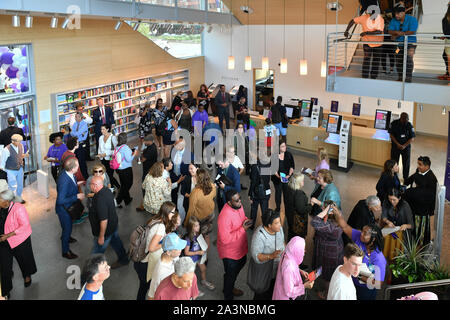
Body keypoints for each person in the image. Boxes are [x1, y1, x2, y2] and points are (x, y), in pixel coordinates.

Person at [333, 204, 386, 300]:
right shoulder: (359, 237)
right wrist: (338, 214)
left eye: (365, 233)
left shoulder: (378, 258)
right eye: (362, 231)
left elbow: (378, 283)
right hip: (351, 282)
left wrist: (358, 275)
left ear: (373, 240)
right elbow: (345, 227)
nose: (361, 234)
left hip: (365, 291)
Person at [133, 201, 177, 301]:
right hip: (145, 263)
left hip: (140, 258)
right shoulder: (161, 227)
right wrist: (165, 241)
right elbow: (151, 248)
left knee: (143, 287)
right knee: (145, 288)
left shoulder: (154, 219)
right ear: (167, 212)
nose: (174, 214)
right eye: (172, 212)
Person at [0, 189, 37, 299]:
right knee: (5, 267)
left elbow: (24, 225)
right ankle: (6, 290)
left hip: (19, 240)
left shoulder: (19, 208)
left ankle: (27, 276)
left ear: (6, 201)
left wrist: (7, 235)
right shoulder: (1, 207)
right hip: (3, 243)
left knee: (24, 260)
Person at [88, 176, 129, 269]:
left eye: (90, 184)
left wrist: (101, 236)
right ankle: (124, 259)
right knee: (116, 242)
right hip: (113, 226)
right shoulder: (107, 190)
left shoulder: (99, 199)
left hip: (105, 231)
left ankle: (86, 277)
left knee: (96, 254)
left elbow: (103, 219)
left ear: (95, 186)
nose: (89, 186)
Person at [217, 189, 250, 300]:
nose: (240, 201)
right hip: (230, 253)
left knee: (238, 267)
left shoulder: (238, 206)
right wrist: (243, 229)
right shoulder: (224, 216)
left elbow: (242, 218)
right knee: (231, 274)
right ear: (229, 202)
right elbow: (225, 239)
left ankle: (229, 287)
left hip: (240, 248)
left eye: (240, 198)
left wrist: (246, 221)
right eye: (236, 200)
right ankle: (228, 294)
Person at [249, 209, 285, 300]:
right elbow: (256, 256)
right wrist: (271, 256)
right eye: (276, 223)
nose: (280, 225)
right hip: (265, 271)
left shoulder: (279, 229)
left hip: (277, 269)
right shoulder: (259, 236)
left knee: (272, 291)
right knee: (262, 294)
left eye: (279, 222)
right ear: (269, 225)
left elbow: (282, 242)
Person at [311, 204, 344, 299]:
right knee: (333, 273)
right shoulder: (339, 221)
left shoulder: (329, 226)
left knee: (328, 276)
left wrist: (324, 211)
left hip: (328, 253)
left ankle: (327, 294)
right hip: (336, 250)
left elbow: (314, 222)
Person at [403, 156, 438, 245]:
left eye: (420, 164)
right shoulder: (419, 171)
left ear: (427, 167)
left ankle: (420, 244)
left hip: (422, 210)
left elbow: (428, 196)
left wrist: (409, 192)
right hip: (415, 206)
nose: (418, 166)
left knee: (420, 230)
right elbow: (409, 180)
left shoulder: (431, 179)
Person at [55, 157, 85, 259]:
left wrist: (76, 184)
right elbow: (60, 200)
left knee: (67, 227)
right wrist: (76, 196)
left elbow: (67, 186)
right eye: (77, 166)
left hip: (68, 207)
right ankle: (65, 251)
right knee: (67, 229)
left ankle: (66, 236)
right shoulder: (64, 180)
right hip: (64, 210)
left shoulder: (68, 173)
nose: (78, 167)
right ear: (72, 169)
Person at [344, 6, 384, 79]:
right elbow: (352, 21)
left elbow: (379, 31)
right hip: (367, 43)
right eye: (371, 14)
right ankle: (365, 76)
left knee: (376, 61)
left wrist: (366, 33)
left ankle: (373, 77)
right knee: (366, 60)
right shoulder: (364, 17)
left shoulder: (380, 19)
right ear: (368, 13)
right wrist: (347, 30)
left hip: (378, 44)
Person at [147, 232, 187, 299]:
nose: (181, 250)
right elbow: (152, 295)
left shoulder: (175, 256)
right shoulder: (159, 272)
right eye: (177, 248)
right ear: (168, 252)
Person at [184, 168, 216, 250]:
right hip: (210, 214)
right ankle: (206, 255)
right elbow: (213, 197)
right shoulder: (212, 186)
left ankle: (200, 254)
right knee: (206, 235)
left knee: (199, 236)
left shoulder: (195, 192)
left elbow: (191, 210)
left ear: (198, 179)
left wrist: (186, 222)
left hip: (200, 218)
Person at [381, 188, 413, 263]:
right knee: (385, 236)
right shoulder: (386, 202)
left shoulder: (405, 206)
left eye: (394, 200)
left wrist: (405, 225)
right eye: (390, 199)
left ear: (399, 198)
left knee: (396, 238)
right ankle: (386, 258)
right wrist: (387, 221)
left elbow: (411, 225)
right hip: (390, 227)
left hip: (402, 229)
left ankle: (395, 260)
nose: (392, 202)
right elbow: (383, 216)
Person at [389, 3, 418, 82]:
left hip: (410, 44)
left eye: (398, 13)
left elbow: (411, 31)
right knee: (398, 59)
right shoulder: (393, 20)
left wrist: (399, 33)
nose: (396, 15)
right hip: (398, 45)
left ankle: (408, 78)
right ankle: (400, 77)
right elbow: (390, 30)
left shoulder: (412, 19)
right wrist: (396, 32)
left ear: (403, 12)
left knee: (409, 59)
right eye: (395, 13)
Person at [184, 216, 215, 291]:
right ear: (191, 227)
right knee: (191, 276)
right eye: (196, 226)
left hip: (198, 256)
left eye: (199, 225)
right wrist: (198, 252)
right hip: (191, 259)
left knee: (203, 269)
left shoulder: (198, 234)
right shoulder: (188, 238)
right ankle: (192, 290)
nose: (199, 227)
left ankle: (204, 281)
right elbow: (186, 252)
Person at [0, 134, 29, 204]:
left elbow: (20, 155)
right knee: (12, 186)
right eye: (18, 141)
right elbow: (2, 163)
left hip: (20, 168)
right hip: (10, 170)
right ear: (12, 141)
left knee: (20, 185)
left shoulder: (21, 146)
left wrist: (25, 155)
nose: (20, 143)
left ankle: (18, 198)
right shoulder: (6, 149)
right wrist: (7, 171)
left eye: (20, 141)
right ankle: (12, 201)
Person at [284, 172, 312, 241]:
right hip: (297, 222)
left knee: (291, 235)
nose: (303, 182)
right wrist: (311, 205)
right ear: (298, 183)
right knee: (298, 238)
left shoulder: (289, 189)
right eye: (302, 180)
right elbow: (302, 210)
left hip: (290, 217)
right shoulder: (298, 194)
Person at [388, 112, 415, 181]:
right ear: (401, 118)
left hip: (406, 148)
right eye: (405, 119)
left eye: (407, 119)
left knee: (406, 163)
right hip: (395, 147)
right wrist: (397, 144)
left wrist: (404, 145)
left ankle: (405, 178)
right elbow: (391, 135)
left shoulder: (409, 125)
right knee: (394, 162)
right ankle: (393, 176)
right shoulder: (394, 123)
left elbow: (412, 138)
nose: (406, 121)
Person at [114, 132, 138, 208]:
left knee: (123, 184)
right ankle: (117, 201)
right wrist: (134, 153)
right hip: (126, 169)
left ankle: (127, 200)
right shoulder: (125, 147)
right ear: (125, 139)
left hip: (119, 169)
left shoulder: (117, 147)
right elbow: (129, 159)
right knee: (128, 184)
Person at [248, 153, 271, 230]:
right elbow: (268, 179)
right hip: (266, 191)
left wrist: (250, 194)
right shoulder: (269, 165)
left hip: (256, 192)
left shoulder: (255, 166)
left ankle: (251, 225)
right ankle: (266, 225)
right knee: (265, 210)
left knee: (254, 209)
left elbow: (253, 181)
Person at [136, 134, 158, 212]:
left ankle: (145, 205)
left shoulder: (151, 149)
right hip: (149, 170)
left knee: (145, 187)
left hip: (148, 171)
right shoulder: (150, 147)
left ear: (150, 141)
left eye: (146, 141)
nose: (144, 142)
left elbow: (142, 159)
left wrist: (138, 158)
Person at [272, 141, 295, 213]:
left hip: (287, 178)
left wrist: (289, 175)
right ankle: (278, 208)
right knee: (278, 194)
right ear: (278, 148)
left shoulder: (289, 154)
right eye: (282, 146)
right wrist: (278, 176)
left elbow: (292, 166)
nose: (284, 147)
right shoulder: (274, 156)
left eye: (285, 146)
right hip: (277, 179)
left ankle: (287, 209)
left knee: (287, 195)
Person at [95, 124, 120, 190]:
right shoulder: (100, 137)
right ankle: (116, 187)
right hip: (103, 159)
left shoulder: (113, 138)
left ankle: (113, 187)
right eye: (101, 129)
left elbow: (115, 149)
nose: (101, 131)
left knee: (109, 175)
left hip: (110, 159)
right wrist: (99, 154)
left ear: (108, 129)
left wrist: (106, 154)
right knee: (106, 174)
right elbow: (99, 148)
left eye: (103, 129)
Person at [70, 112, 89, 179]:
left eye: (76, 117)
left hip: (81, 144)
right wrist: (75, 133)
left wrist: (75, 133)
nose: (75, 118)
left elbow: (77, 133)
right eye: (75, 117)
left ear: (81, 117)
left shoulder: (84, 124)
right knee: (76, 161)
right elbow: (71, 133)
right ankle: (79, 176)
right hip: (76, 144)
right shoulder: (75, 124)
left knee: (82, 161)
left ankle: (85, 176)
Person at [438, 5, 450, 80]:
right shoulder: (446, 19)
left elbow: (447, 32)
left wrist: (446, 36)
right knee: (445, 56)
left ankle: (449, 75)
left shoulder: (446, 19)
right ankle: (448, 73)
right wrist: (445, 36)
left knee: (448, 58)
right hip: (448, 40)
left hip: (449, 42)